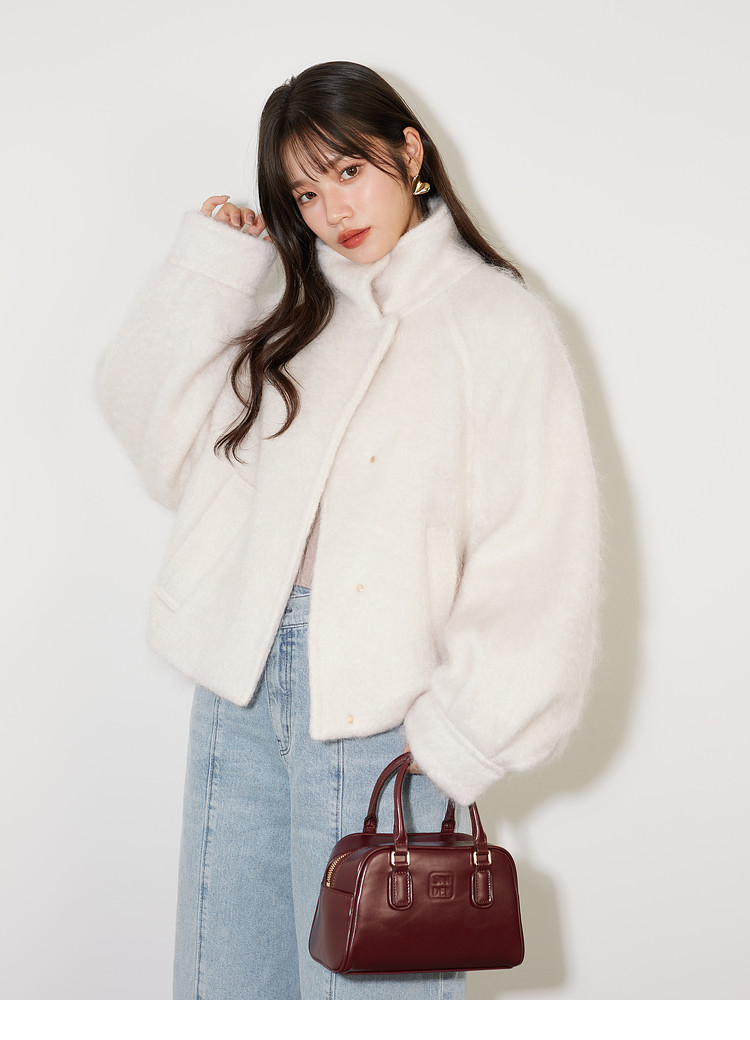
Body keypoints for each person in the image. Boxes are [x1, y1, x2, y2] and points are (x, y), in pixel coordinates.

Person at [95, 60, 600, 1000]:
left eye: (348, 171)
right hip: (240, 699)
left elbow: (541, 552)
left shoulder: (498, 322)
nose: (332, 209)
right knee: (221, 994)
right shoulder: (296, 319)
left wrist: (457, 742)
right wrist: (213, 269)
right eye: (305, 191)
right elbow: (154, 433)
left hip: (385, 723)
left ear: (409, 151)